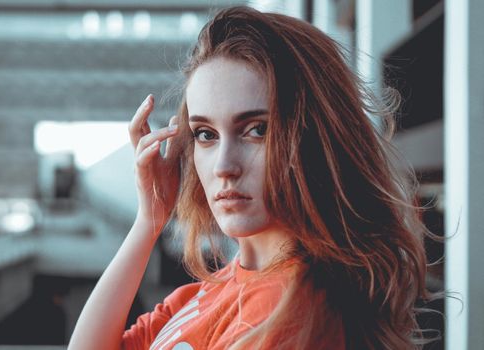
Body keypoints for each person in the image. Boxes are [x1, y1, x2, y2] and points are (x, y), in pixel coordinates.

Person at [68, 6, 435, 350]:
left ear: (312, 138)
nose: (223, 166)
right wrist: (149, 220)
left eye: (256, 130)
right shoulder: (211, 290)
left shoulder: (291, 308)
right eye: (206, 135)